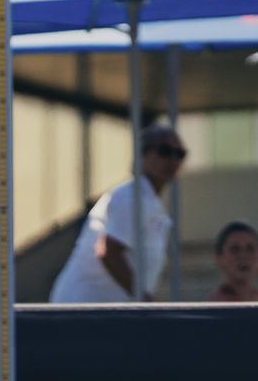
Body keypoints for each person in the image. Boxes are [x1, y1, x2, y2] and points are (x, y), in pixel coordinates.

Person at [49, 124, 186, 303]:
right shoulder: (129, 197)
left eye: (180, 154)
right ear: (142, 155)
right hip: (85, 309)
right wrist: (143, 300)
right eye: (164, 151)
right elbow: (108, 251)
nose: (173, 160)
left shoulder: (147, 200)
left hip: (102, 310)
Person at [207, 220, 258, 302]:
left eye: (250, 249)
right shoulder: (217, 301)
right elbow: (253, 314)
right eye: (235, 249)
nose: (243, 256)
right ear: (219, 258)